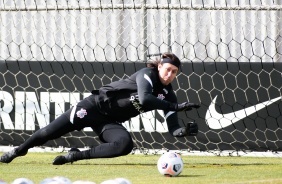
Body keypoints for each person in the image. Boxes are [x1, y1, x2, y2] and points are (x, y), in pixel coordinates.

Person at [0, 52, 200, 165]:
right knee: (48, 132)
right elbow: (145, 99)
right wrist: (176, 106)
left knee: (124, 145)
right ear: (159, 67)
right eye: (168, 70)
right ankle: (18, 151)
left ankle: (75, 155)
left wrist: (183, 131)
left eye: (174, 72)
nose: (170, 74)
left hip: (108, 121)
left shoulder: (168, 95)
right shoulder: (147, 73)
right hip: (92, 106)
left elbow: (173, 127)